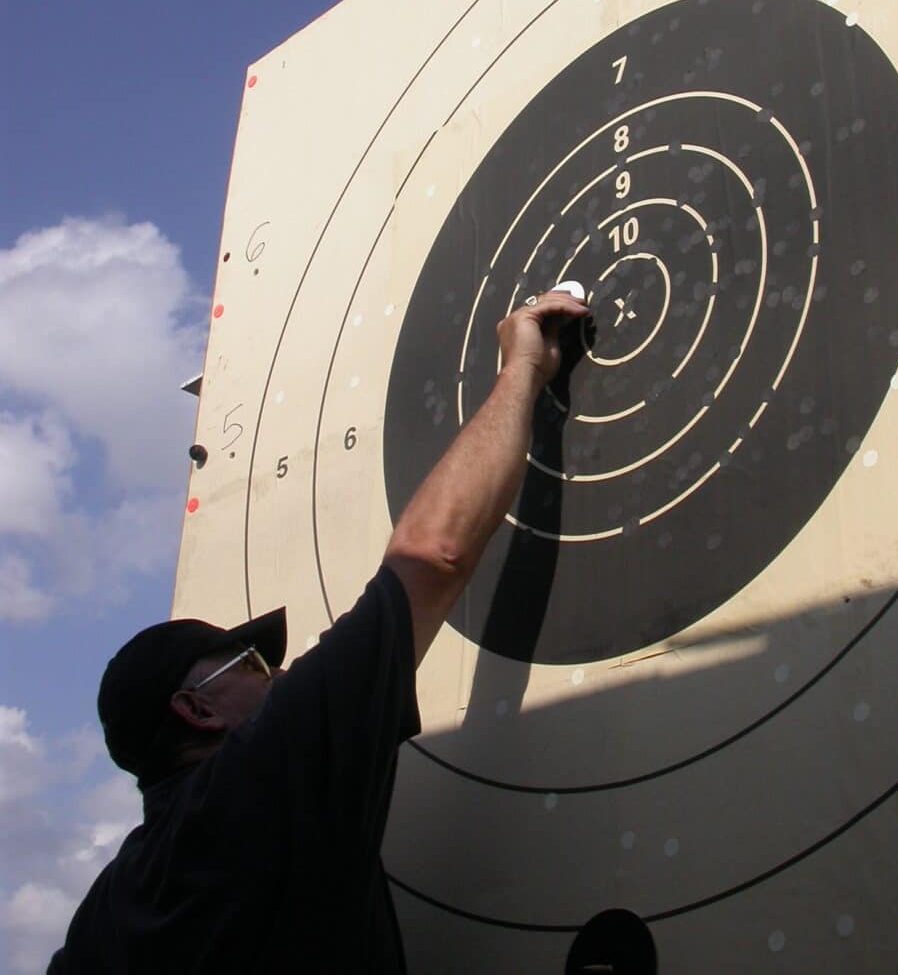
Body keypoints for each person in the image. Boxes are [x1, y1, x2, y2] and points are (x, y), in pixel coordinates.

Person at [48, 287, 589, 974]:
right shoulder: (263, 772)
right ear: (195, 708)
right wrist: (523, 369)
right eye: (247, 663)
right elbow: (433, 556)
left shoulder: (109, 906)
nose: (275, 674)